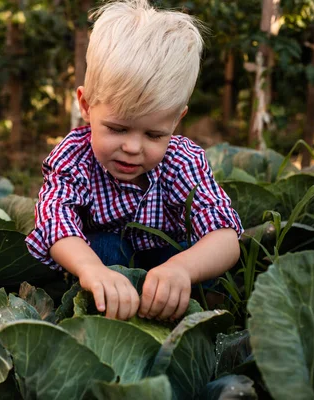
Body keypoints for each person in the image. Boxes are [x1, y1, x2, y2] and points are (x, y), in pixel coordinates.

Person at [25, 0, 243, 322]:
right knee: (106, 248)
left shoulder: (182, 160)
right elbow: (55, 221)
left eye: (154, 135)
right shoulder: (74, 157)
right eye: (116, 128)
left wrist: (180, 270)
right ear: (86, 106)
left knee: (198, 257)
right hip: (102, 267)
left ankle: (187, 306)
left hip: (169, 265)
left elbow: (224, 236)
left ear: (177, 120)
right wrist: (91, 270)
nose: (132, 147)